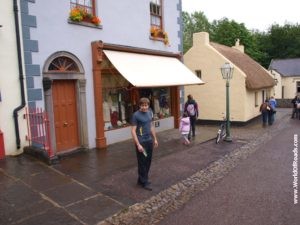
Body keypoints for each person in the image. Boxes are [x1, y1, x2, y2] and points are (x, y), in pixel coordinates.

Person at [131, 97, 158, 191]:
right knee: (142, 162)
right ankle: (145, 181)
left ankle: (140, 180)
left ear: (148, 105)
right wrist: (138, 144)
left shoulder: (150, 113)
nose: (144, 107)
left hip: (149, 141)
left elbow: (151, 126)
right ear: (140, 105)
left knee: (148, 161)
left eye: (146, 105)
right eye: (142, 105)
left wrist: (155, 139)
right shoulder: (135, 115)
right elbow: (133, 131)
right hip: (141, 142)